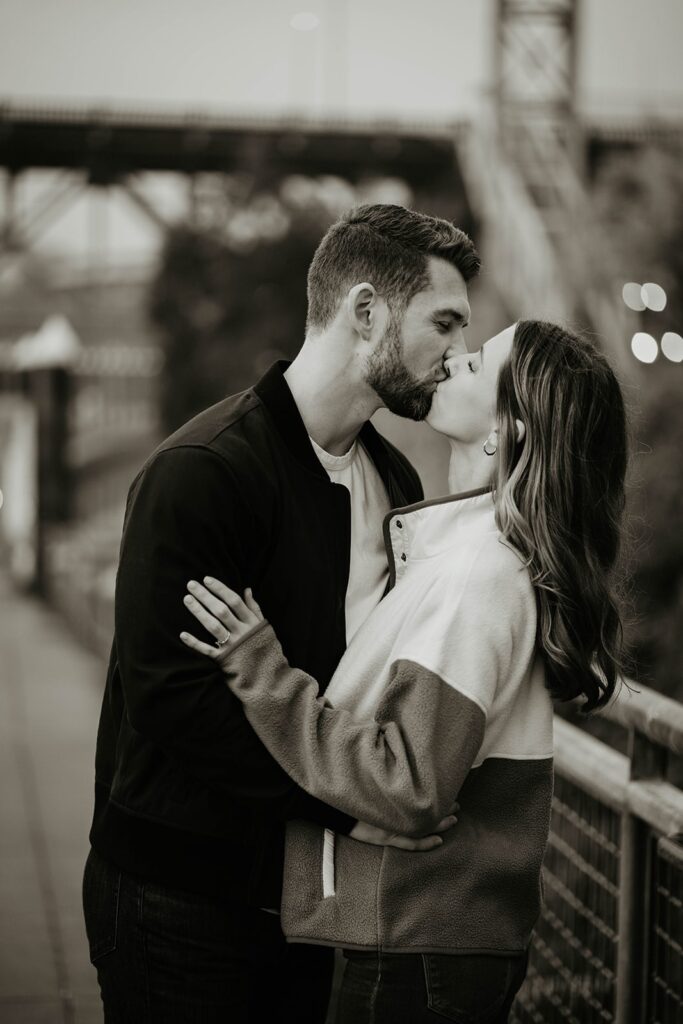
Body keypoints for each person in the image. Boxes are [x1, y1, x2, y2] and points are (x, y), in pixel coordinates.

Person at [81, 203, 480, 1023]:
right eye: (444, 322)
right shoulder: (203, 471)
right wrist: (355, 799)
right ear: (365, 310)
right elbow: (171, 700)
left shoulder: (397, 491)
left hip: (312, 907)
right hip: (178, 904)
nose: (459, 353)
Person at [180, 320, 629, 1024]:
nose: (452, 359)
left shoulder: (478, 576)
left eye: (476, 362)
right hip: (425, 940)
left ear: (504, 430)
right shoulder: (471, 559)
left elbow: (411, 786)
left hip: (420, 948)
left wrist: (261, 670)